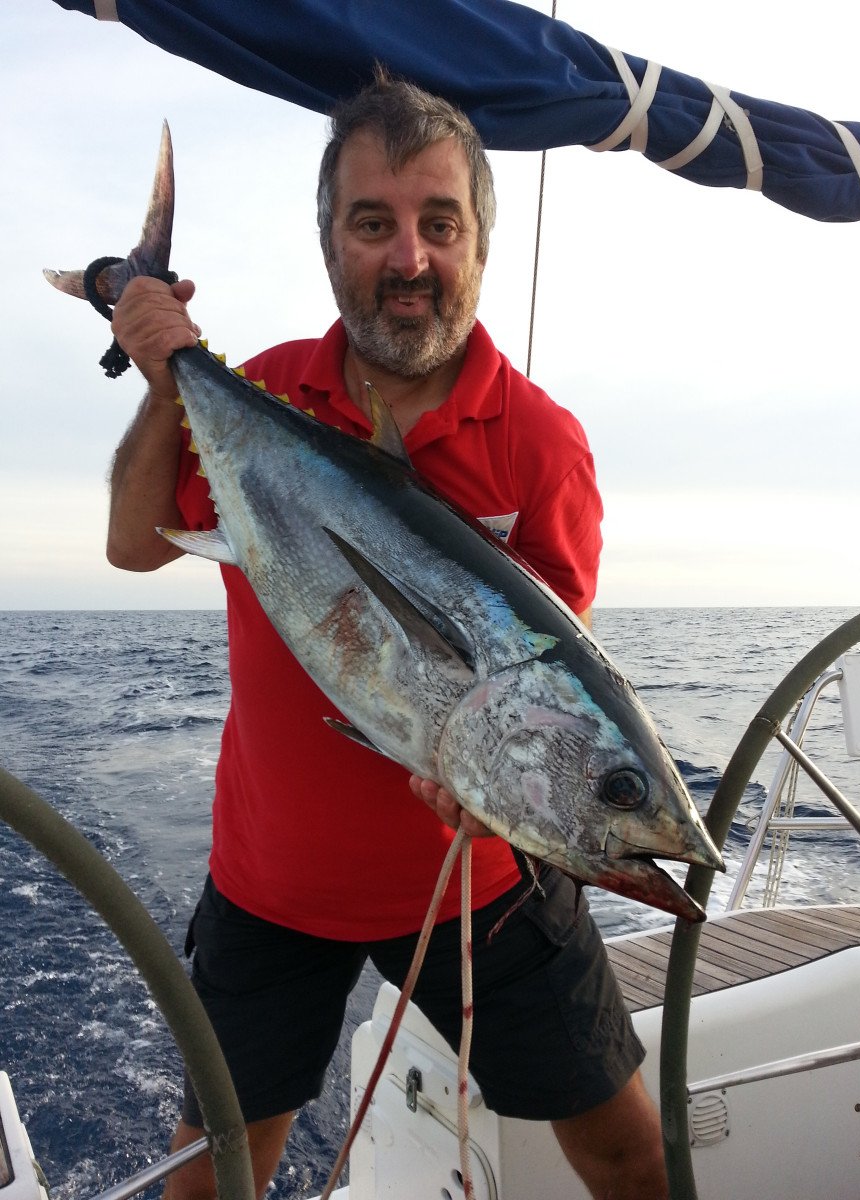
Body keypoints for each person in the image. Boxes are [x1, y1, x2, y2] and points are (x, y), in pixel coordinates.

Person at [107, 70, 669, 1200]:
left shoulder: (542, 447)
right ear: (331, 242)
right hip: (271, 886)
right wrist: (166, 370)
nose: (409, 258)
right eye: (374, 223)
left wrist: (511, 782)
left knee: (624, 1149)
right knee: (212, 1179)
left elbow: (546, 694)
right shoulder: (261, 390)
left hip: (489, 880)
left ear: (476, 245)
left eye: (438, 224)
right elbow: (133, 544)